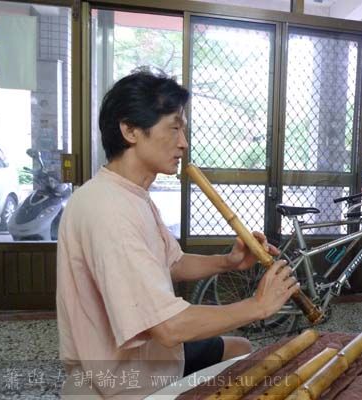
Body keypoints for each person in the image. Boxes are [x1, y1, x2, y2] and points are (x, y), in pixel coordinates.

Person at [56, 71, 299, 397]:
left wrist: (228, 261)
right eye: (174, 128)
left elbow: (173, 262)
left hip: (156, 358)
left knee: (239, 348)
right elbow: (168, 327)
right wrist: (258, 306)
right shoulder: (109, 209)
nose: (183, 142)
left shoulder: (133, 195)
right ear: (130, 130)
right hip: (124, 383)